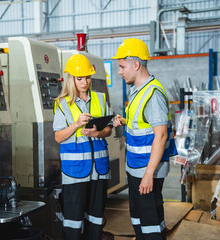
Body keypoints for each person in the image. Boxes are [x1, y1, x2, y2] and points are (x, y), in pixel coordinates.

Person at [112, 38, 177, 240]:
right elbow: (143, 124)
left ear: (136, 64)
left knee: (151, 225)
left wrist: (149, 174)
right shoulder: (137, 91)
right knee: (139, 220)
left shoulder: (153, 93)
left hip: (147, 170)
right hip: (136, 167)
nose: (120, 72)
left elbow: (161, 134)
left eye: (122, 66)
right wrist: (125, 121)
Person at [53, 54, 113, 240]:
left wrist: (98, 133)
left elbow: (109, 130)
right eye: (80, 78)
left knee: (95, 218)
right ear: (71, 79)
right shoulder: (62, 104)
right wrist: (76, 125)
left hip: (99, 171)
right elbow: (58, 137)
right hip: (75, 172)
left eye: (87, 77)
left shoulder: (100, 99)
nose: (85, 82)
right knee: (73, 220)